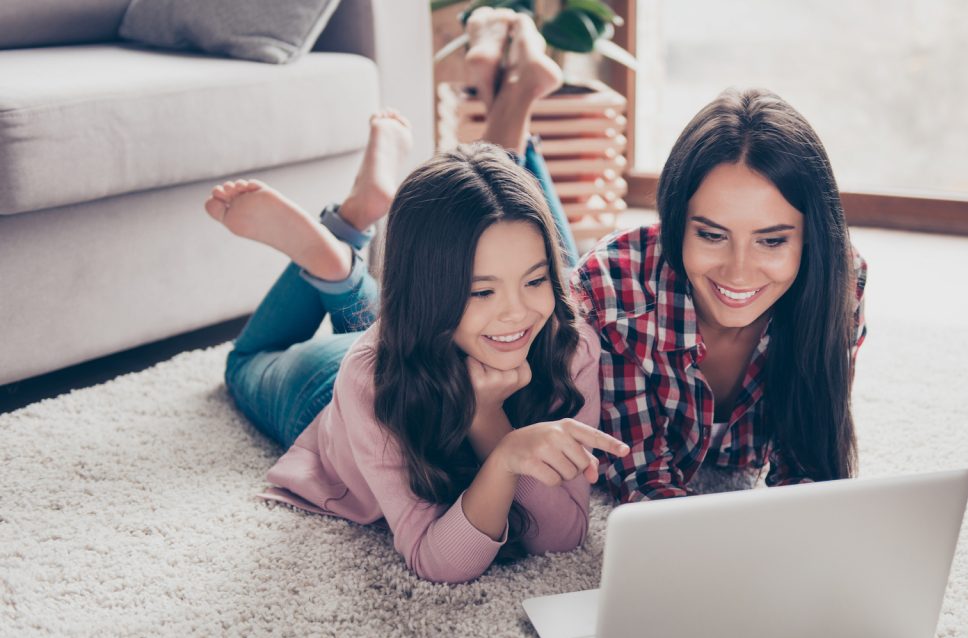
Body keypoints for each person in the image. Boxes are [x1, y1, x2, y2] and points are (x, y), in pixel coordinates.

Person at [204, 8, 627, 583]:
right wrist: (503, 452)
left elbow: (563, 536)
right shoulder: (367, 378)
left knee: (486, 233)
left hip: (417, 326)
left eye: (536, 280)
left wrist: (490, 423)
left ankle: (344, 253)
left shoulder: (570, 343)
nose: (518, 311)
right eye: (481, 291)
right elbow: (435, 560)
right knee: (243, 363)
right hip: (329, 397)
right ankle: (341, 243)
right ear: (431, 296)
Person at [576, 87, 868, 503]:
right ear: (675, 223)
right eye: (712, 235)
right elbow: (640, 477)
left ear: (810, 240)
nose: (739, 271)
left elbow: (812, 469)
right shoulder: (612, 287)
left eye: (771, 242)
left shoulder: (839, 282)